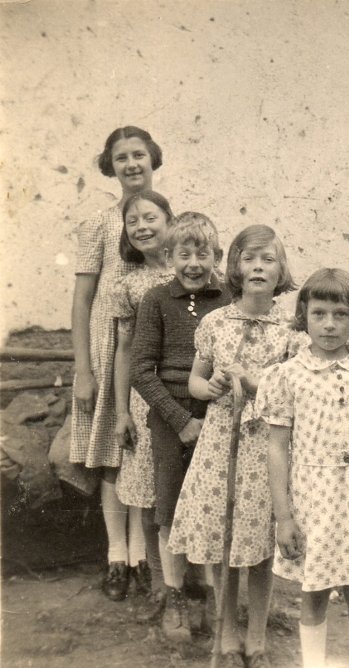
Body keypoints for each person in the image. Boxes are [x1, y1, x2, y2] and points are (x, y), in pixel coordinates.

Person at [168, 224, 307, 667]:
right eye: (249, 258)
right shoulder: (215, 323)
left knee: (260, 547)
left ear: (281, 269)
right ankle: (227, 637)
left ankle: (258, 639)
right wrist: (208, 386)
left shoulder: (291, 331)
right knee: (223, 543)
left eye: (268, 259)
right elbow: (194, 380)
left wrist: (257, 382)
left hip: (267, 449)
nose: (259, 267)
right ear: (234, 268)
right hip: (219, 445)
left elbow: (299, 388)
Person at [255, 268, 349, 668]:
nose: (329, 324)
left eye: (340, 314)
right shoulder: (287, 377)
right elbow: (277, 448)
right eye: (319, 313)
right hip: (313, 500)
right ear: (303, 315)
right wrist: (283, 517)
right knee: (314, 590)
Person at [69, 126, 164, 601]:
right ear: (111, 165)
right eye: (121, 157)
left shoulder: (162, 218)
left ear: (153, 160)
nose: (131, 164)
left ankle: (144, 556)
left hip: (153, 358)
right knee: (111, 456)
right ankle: (116, 558)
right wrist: (84, 371)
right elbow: (83, 301)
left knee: (142, 455)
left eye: (139, 155)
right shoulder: (100, 225)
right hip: (110, 355)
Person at [130, 212, 232, 641]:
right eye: (184, 253)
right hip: (170, 419)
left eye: (202, 253)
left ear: (217, 256)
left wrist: (212, 413)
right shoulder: (155, 300)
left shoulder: (228, 299)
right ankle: (173, 596)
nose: (193, 263)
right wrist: (179, 420)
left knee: (213, 506)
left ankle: (208, 594)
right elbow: (140, 370)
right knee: (169, 507)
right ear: (168, 256)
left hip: (219, 417)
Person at [109, 190, 175, 602]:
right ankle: (161, 586)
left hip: (190, 394)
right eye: (132, 222)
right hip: (144, 398)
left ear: (170, 220)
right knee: (149, 494)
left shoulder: (193, 271)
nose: (142, 227)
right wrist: (121, 412)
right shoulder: (127, 284)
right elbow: (124, 351)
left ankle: (199, 582)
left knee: (186, 488)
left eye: (150, 217)